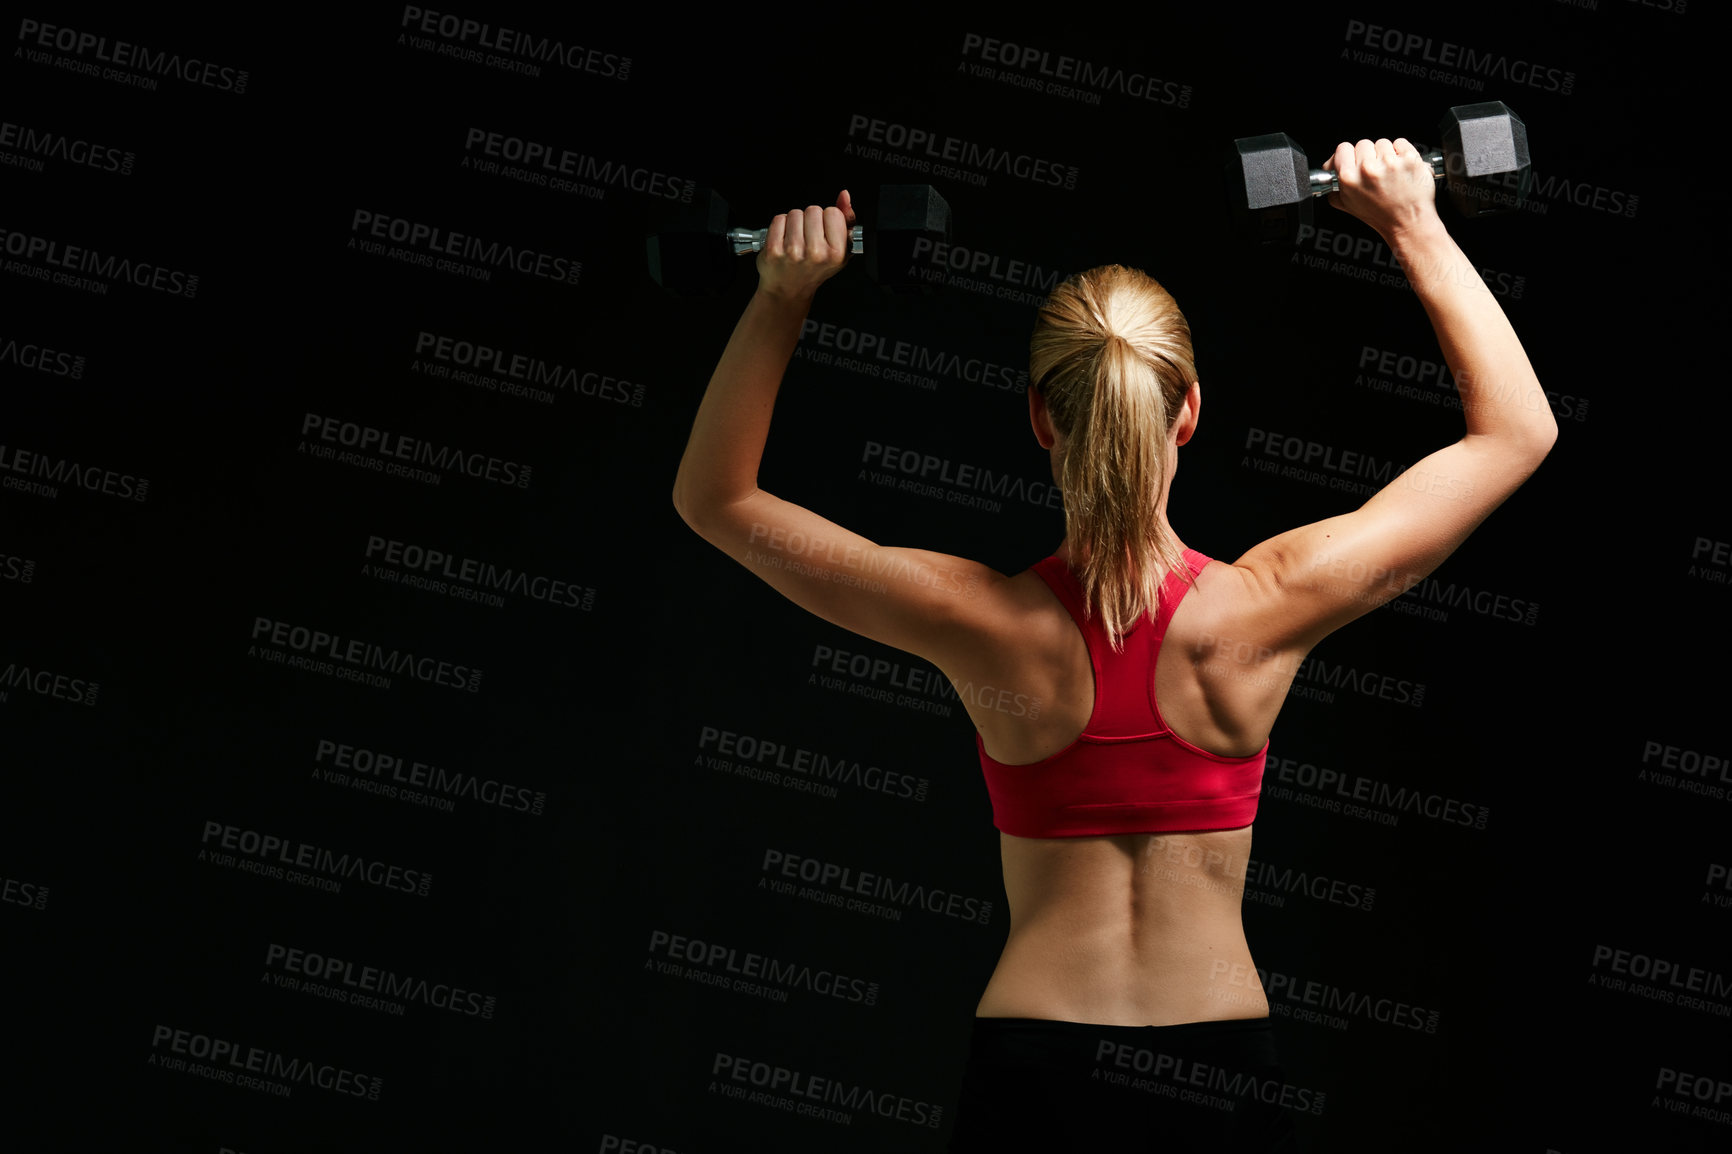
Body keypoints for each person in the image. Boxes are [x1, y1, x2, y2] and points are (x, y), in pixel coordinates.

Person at [672, 140, 1556, 1151]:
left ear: (1042, 419)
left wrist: (781, 295)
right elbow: (1513, 435)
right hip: (1220, 1063)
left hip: (1035, 1072)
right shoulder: (1269, 604)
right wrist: (1412, 221)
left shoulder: (980, 622)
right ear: (1186, 411)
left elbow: (716, 499)